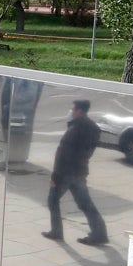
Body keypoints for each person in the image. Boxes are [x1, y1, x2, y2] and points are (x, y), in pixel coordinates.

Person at [44, 99, 108, 245]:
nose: (70, 112)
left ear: (79, 111)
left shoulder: (75, 129)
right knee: (85, 204)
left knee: (52, 200)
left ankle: (56, 231)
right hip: (80, 171)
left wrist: (55, 176)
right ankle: (100, 234)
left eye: (72, 109)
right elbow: (88, 151)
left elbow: (63, 153)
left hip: (66, 173)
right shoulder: (93, 128)